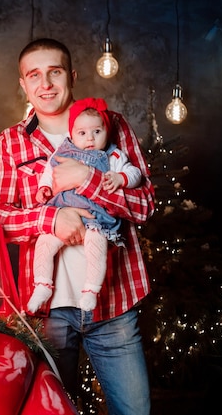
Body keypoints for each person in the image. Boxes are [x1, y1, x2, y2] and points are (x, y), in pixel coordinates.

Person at [0, 38, 155, 415]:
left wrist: (87, 178)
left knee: (135, 410)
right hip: (47, 317)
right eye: (34, 75)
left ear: (72, 77)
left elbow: (145, 205)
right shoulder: (11, 143)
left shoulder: (113, 127)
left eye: (55, 72)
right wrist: (52, 218)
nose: (45, 84)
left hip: (113, 306)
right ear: (23, 85)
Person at [27, 97, 142, 313]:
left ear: (106, 132)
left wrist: (121, 178)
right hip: (61, 212)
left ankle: (91, 289)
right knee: (44, 243)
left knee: (95, 244)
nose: (90, 138)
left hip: (95, 218)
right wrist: (44, 188)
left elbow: (135, 174)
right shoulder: (63, 151)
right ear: (72, 134)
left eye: (96, 132)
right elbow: (49, 172)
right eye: (82, 133)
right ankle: (42, 284)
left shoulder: (113, 154)